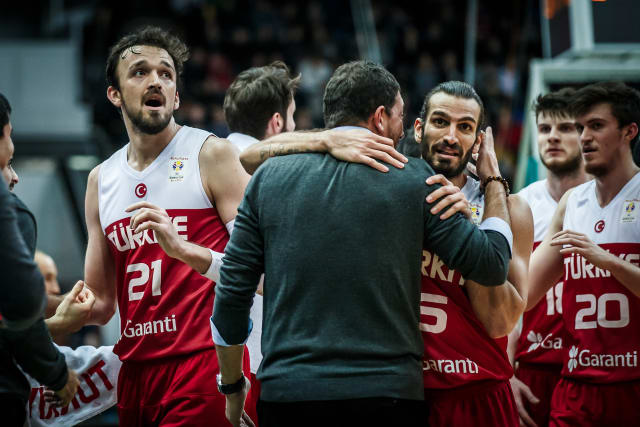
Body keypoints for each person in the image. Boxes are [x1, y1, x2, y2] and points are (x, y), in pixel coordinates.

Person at [80, 27, 402, 426]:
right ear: (114, 94)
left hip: (203, 362)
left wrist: (322, 141)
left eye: (165, 73)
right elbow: (99, 304)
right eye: (140, 72)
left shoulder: (211, 154)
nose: (155, 81)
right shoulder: (100, 180)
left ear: (177, 96)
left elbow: (268, 272)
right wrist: (42, 319)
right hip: (135, 370)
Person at [212, 61, 514, 427]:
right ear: (380, 118)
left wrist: (232, 385)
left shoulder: (268, 179)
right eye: (400, 117)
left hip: (288, 393)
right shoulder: (414, 180)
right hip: (387, 395)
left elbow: (231, 293)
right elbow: (493, 264)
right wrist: (493, 182)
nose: (402, 131)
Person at [407, 81, 533, 426]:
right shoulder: (390, 195)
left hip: (479, 392)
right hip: (404, 390)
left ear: (478, 142)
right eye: (440, 122)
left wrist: (470, 232)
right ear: (418, 129)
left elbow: (500, 322)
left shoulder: (512, 209)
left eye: (464, 127)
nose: (451, 136)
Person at [527, 81, 640, 426]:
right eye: (580, 128)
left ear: (629, 131)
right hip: (577, 386)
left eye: (596, 126)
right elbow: (523, 295)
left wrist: (605, 260)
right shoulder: (571, 203)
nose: (585, 137)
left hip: (633, 383)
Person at [507, 88, 589, 427]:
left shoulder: (608, 200)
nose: (552, 136)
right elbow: (506, 302)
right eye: (544, 129)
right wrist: (506, 374)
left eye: (565, 128)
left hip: (593, 367)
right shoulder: (519, 205)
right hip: (534, 368)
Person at [0, 93, 80, 426]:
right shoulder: (11, 208)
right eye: (7, 164)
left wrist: (54, 324)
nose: (14, 176)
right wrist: (57, 373)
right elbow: (19, 303)